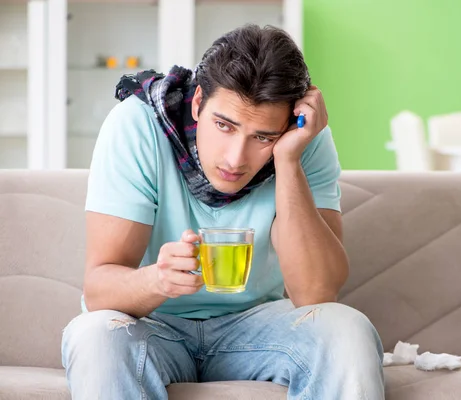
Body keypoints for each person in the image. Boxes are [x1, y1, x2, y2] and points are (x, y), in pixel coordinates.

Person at [61, 24, 384, 400]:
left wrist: (288, 159)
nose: (235, 159)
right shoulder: (138, 125)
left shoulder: (303, 141)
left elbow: (316, 292)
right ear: (198, 102)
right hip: (154, 323)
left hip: (258, 325)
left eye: (262, 136)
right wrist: (158, 280)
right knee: (95, 335)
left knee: (348, 328)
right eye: (223, 125)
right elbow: (99, 289)